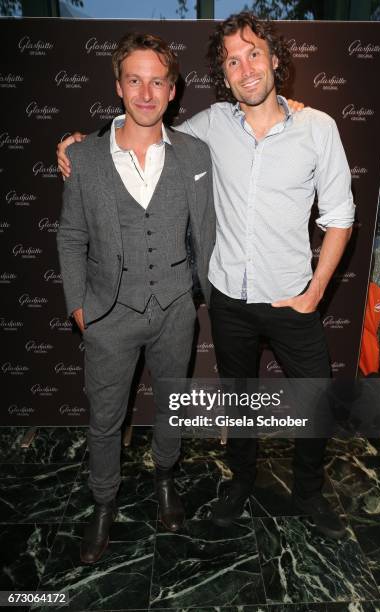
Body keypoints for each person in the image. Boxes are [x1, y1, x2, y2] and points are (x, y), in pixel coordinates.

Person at [57, 12, 355, 540]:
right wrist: (84, 141)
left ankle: (309, 494)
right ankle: (238, 485)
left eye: (254, 54)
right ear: (225, 74)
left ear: (275, 60)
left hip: (292, 299)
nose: (245, 69)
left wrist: (315, 294)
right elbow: (146, 127)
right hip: (228, 302)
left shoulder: (318, 128)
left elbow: (340, 218)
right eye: (232, 61)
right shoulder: (209, 127)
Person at [57, 32, 215, 564]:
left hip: (175, 308)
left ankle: (166, 481)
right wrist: (79, 306)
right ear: (119, 86)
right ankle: (103, 502)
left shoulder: (197, 153)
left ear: (173, 91)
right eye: (135, 80)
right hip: (107, 313)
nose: (146, 93)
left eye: (157, 81)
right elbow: (71, 236)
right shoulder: (83, 156)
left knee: (172, 404)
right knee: (105, 418)